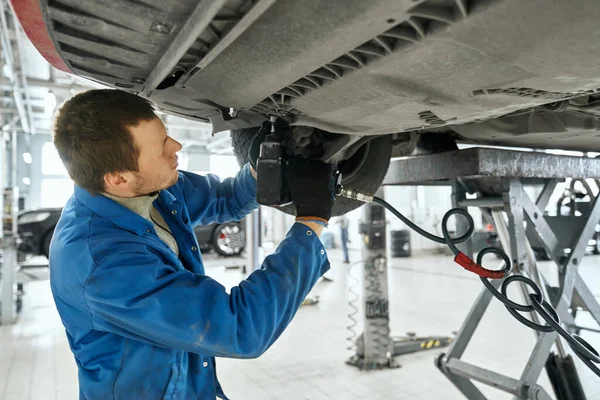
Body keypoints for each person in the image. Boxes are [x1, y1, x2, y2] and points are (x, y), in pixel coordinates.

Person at [49, 89, 337, 400]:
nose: (176, 147)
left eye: (166, 135)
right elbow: (241, 329)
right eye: (161, 149)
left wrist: (259, 167)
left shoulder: (151, 188)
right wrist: (311, 223)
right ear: (118, 177)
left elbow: (226, 198)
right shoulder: (101, 265)